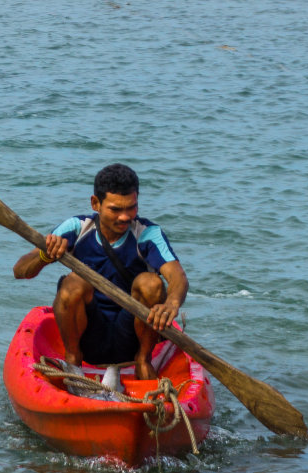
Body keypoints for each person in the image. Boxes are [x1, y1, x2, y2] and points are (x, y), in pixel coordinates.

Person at [13, 163, 187, 380]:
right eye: (115, 209)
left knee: (151, 283)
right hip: (87, 338)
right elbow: (20, 271)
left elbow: (177, 277)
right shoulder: (77, 228)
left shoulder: (147, 234)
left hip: (134, 336)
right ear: (96, 203)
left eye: (131, 207)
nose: (125, 217)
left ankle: (144, 361)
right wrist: (45, 255)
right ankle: (73, 362)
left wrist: (172, 303)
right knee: (74, 282)